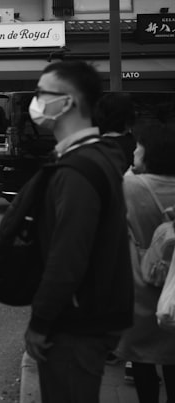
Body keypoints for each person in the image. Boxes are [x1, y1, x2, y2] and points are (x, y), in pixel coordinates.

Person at [23, 60, 133, 402]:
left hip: (74, 323)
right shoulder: (99, 157)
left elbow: (68, 255)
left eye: (42, 93)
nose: (36, 102)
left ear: (68, 101)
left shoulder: (78, 169)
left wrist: (40, 321)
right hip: (92, 317)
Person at [115, 125, 175, 403]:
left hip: (142, 284)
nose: (134, 151)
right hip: (173, 284)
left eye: (139, 147)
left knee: (142, 358)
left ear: (151, 153)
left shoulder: (132, 186)